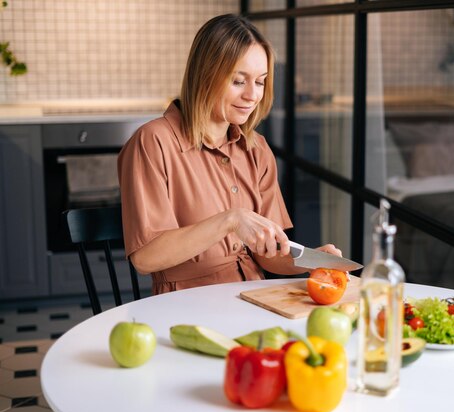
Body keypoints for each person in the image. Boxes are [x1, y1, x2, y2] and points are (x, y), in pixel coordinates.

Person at [118, 14, 341, 294]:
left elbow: (266, 254)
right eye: (238, 81)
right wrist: (230, 220)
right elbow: (146, 258)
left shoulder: (256, 148)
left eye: (260, 82)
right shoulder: (153, 142)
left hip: (254, 298)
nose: (253, 95)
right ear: (205, 75)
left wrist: (310, 259)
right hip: (184, 305)